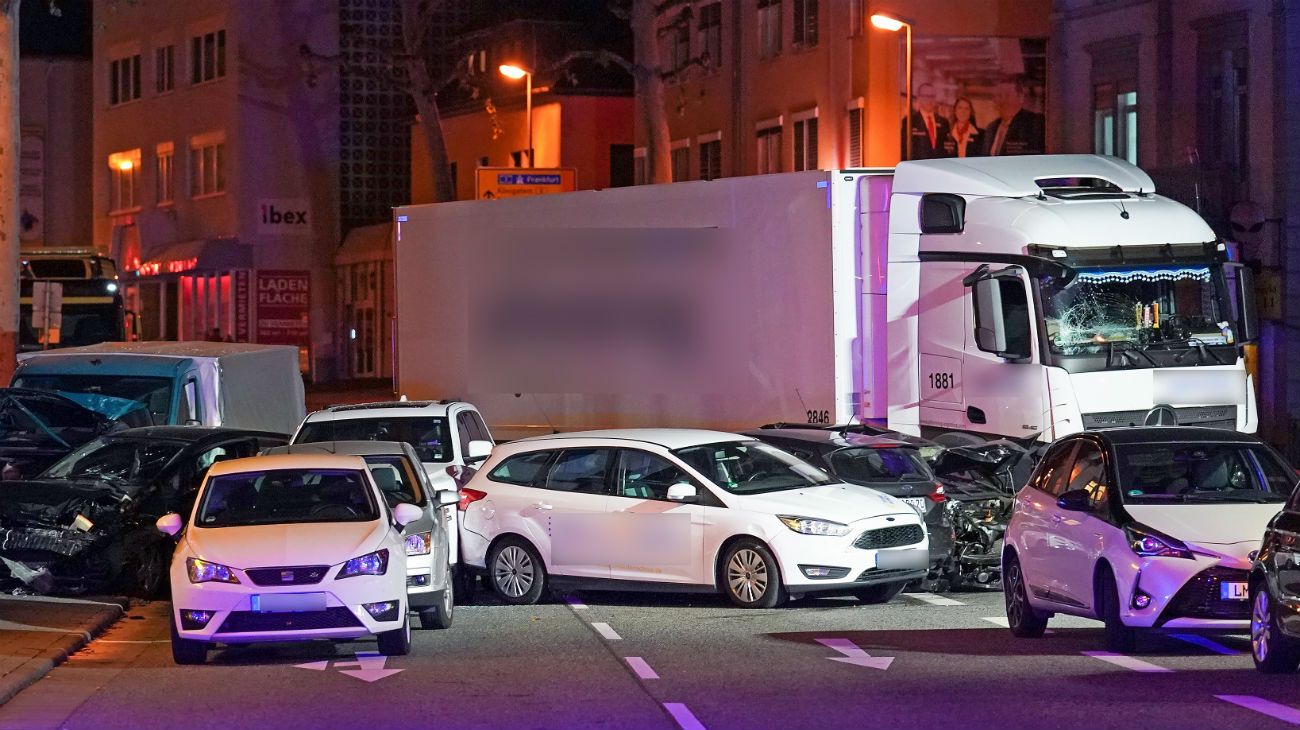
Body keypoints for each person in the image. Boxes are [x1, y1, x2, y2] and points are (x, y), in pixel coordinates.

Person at [983, 74, 1045, 156]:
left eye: (1006, 95)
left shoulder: (1034, 123)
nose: (1000, 101)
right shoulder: (991, 128)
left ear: (1021, 97)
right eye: (998, 96)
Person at [900, 82, 950, 160]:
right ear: (919, 98)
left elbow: (947, 150)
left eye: (932, 96)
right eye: (925, 96)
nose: (929, 100)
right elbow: (904, 151)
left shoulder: (944, 122)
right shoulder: (909, 122)